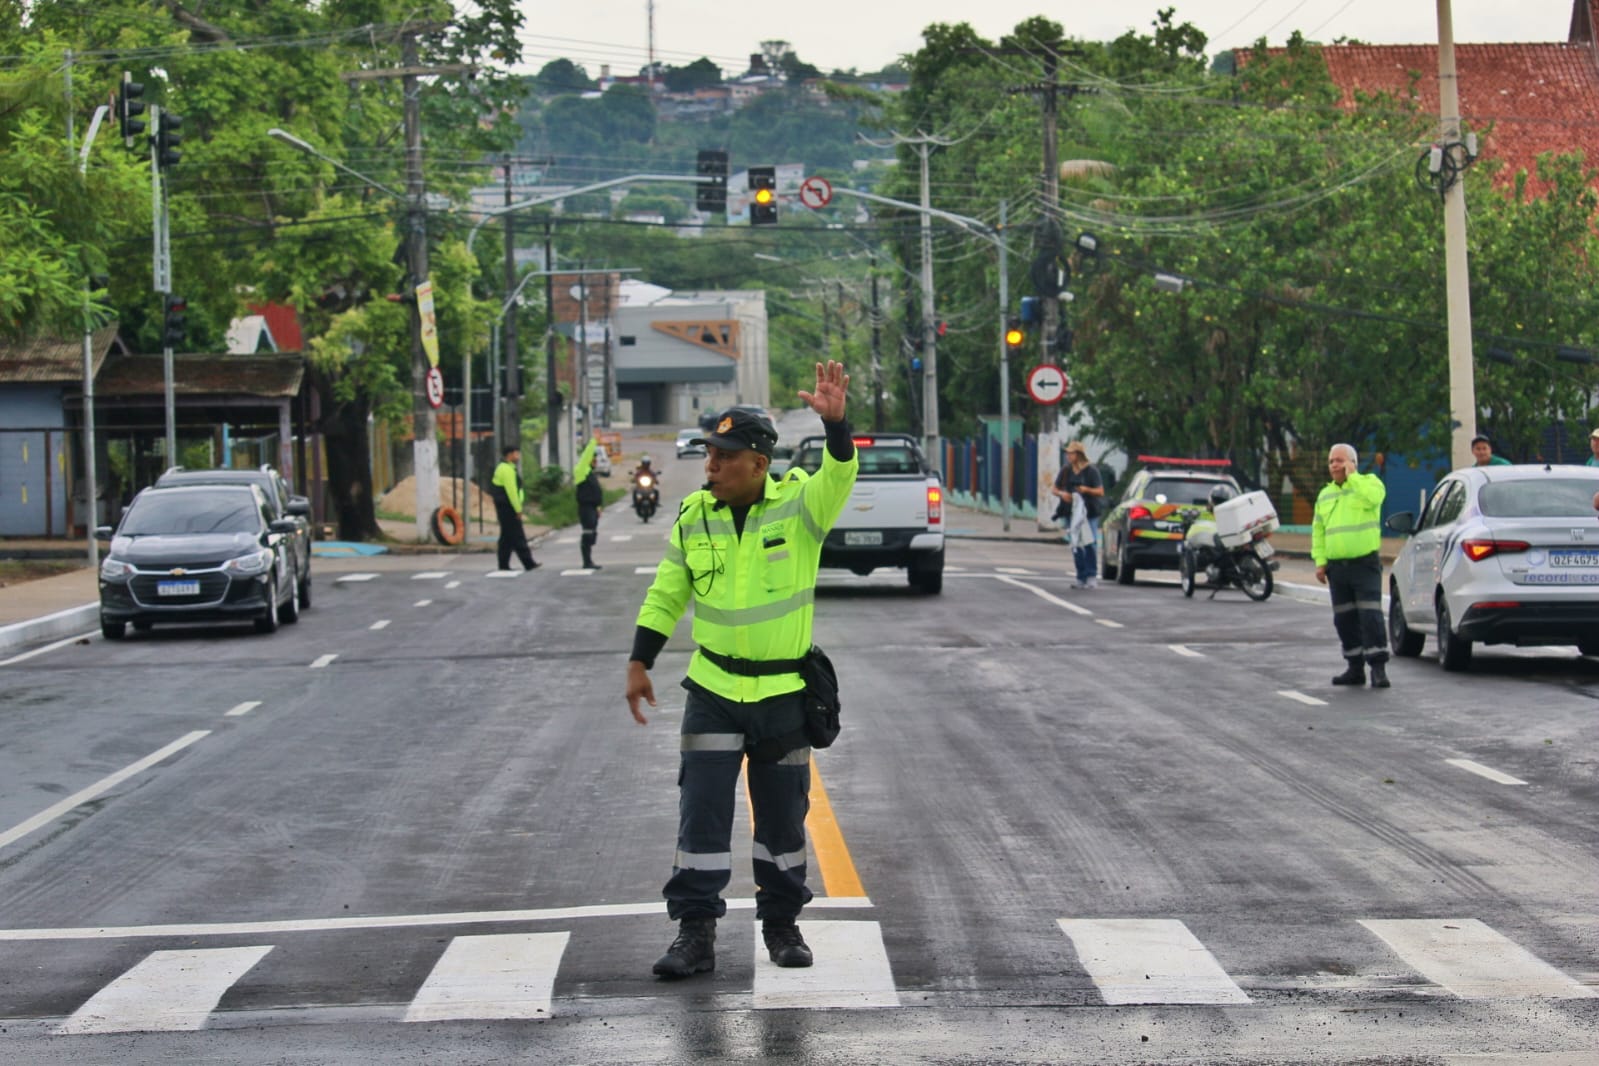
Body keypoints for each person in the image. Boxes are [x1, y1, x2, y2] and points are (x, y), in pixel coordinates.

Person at [625, 361, 859, 980]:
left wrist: (837, 425)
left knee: (781, 818)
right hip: (713, 688)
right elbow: (666, 594)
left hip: (784, 693)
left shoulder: (801, 509)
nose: (712, 466)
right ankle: (694, 933)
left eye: (725, 456)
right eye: (709, 454)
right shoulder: (693, 516)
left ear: (758, 463)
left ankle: (782, 926)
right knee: (700, 812)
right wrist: (639, 660)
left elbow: (840, 474)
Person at [1312, 443, 1390, 688]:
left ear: (1352, 462)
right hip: (1337, 569)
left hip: (1364, 565)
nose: (1334, 465)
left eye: (1339, 460)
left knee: (1371, 616)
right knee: (1344, 619)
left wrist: (1352, 477)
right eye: (1331, 461)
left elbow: (1374, 498)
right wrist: (1320, 563)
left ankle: (1378, 668)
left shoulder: (1369, 484)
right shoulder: (1325, 495)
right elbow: (1319, 532)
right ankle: (1354, 667)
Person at [1050, 440, 1105, 588]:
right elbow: (1054, 489)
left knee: (1090, 543)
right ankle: (1081, 576)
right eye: (1068, 453)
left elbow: (1100, 491)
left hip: (1089, 513)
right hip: (1071, 512)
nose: (1068, 456)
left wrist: (1086, 490)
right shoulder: (1066, 470)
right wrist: (1063, 494)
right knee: (1076, 544)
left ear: (1079, 454)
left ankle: (1091, 575)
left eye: (1071, 453)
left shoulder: (1091, 471)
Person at [489, 446, 539, 572]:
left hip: (505, 507)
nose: (518, 456)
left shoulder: (508, 468)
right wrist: (518, 509)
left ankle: (503, 565)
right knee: (518, 536)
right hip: (508, 508)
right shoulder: (506, 469)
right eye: (517, 453)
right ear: (510, 455)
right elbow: (511, 492)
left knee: (506, 538)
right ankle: (529, 563)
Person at [574, 435, 604, 570]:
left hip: (592, 508)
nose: (595, 461)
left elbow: (595, 492)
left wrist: (598, 507)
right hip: (585, 508)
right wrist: (593, 441)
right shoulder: (581, 471)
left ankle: (589, 560)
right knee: (588, 533)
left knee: (592, 533)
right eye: (594, 458)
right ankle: (587, 562)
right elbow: (585, 457)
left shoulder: (590, 473)